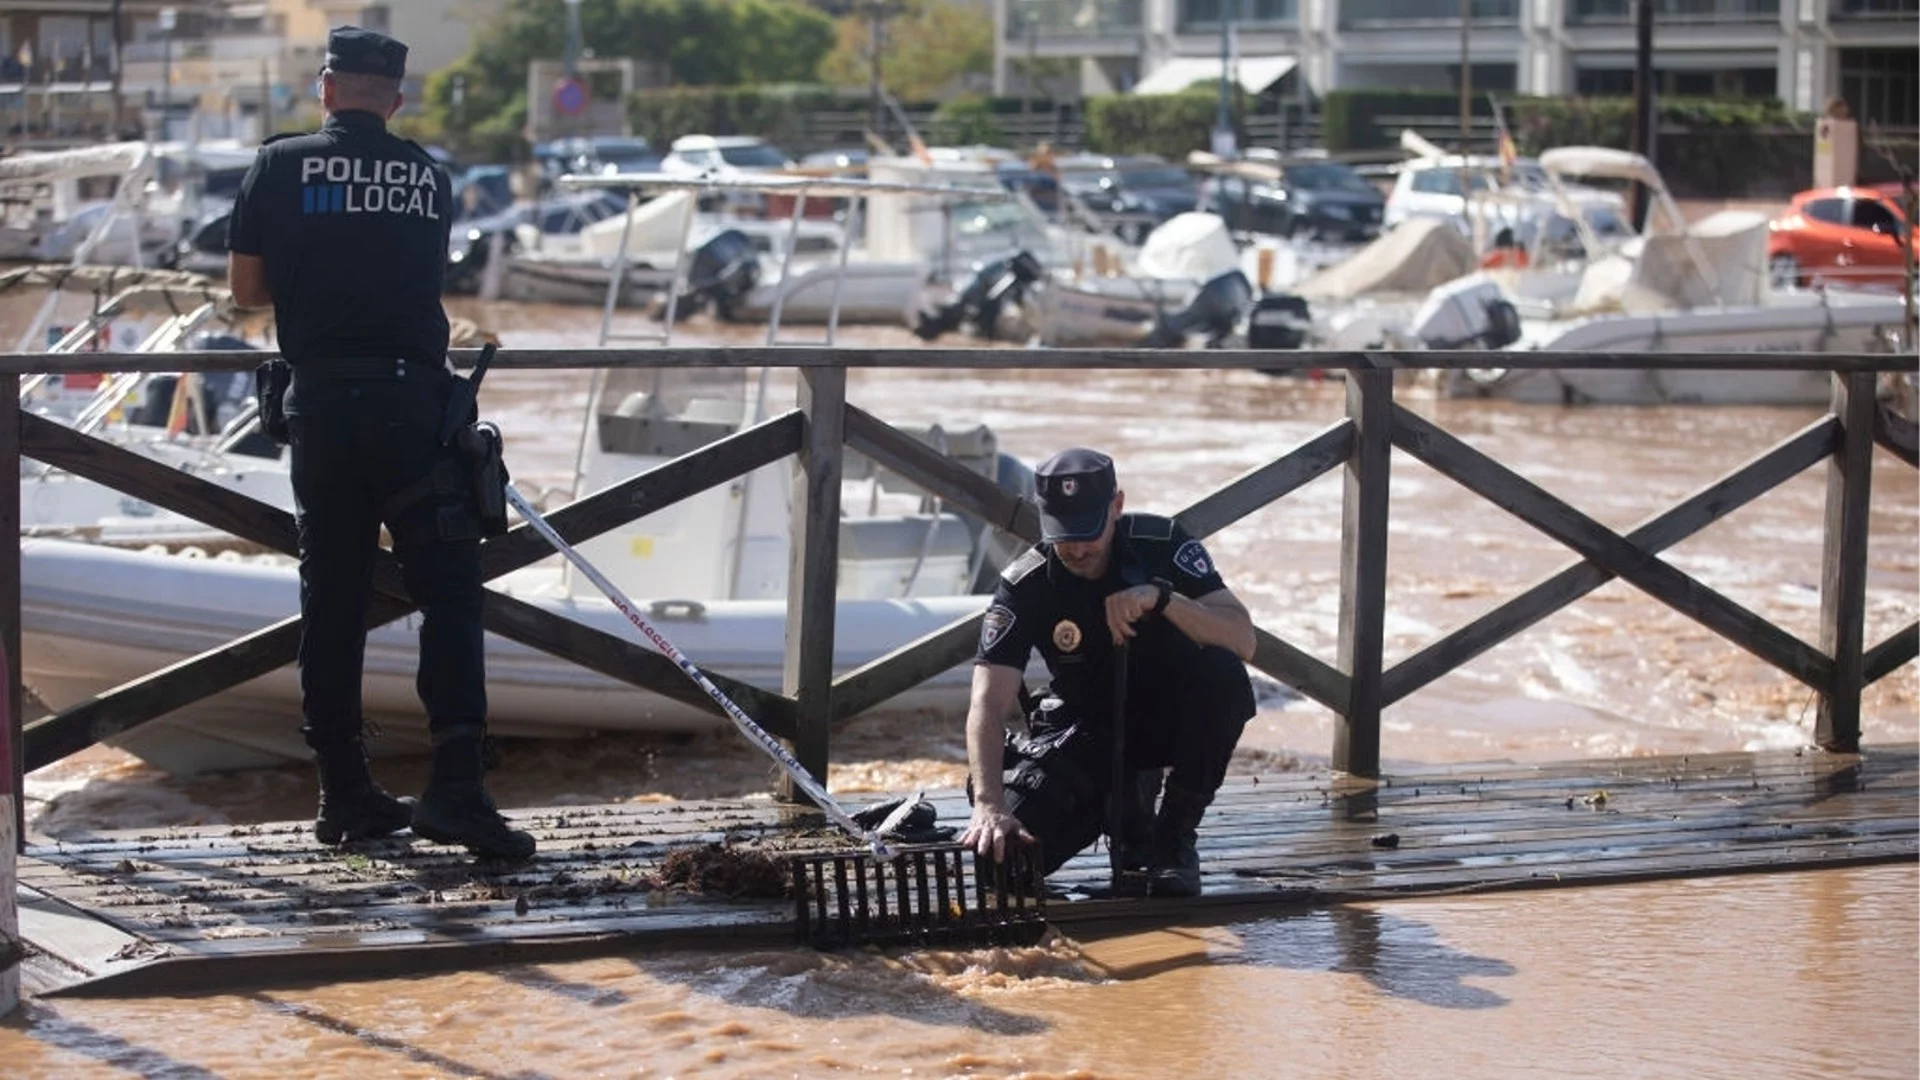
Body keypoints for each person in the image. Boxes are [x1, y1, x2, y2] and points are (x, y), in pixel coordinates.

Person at [226, 26, 533, 861]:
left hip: (320, 406)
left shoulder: (276, 164)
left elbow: (247, 294)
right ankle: (456, 790)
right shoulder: (428, 177)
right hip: (412, 406)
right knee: (452, 595)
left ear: (326, 89)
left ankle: (346, 793)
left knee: (332, 600)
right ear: (394, 101)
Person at [960, 448, 1256, 896]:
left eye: (1088, 532)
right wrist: (988, 805)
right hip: (1089, 731)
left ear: (1116, 506)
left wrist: (1163, 600)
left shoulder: (1163, 544)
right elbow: (988, 703)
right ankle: (1125, 807)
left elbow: (1242, 639)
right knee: (1003, 869)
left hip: (1170, 719)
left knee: (1223, 675)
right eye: (1064, 535)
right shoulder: (1027, 584)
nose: (1077, 549)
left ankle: (1172, 838)